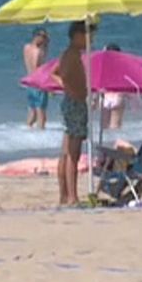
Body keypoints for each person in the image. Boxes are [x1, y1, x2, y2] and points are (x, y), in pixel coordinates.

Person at [53, 21, 90, 206]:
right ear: (77, 35)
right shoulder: (72, 55)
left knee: (66, 151)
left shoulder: (69, 55)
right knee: (72, 154)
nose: (90, 40)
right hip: (75, 103)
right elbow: (60, 73)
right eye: (87, 35)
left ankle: (64, 196)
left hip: (72, 101)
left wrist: (68, 86)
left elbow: (56, 73)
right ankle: (72, 197)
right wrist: (74, 89)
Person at [24, 29, 50, 130]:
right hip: (38, 83)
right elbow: (37, 69)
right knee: (41, 113)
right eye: (43, 37)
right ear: (37, 37)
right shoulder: (39, 51)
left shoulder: (26, 47)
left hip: (29, 82)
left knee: (32, 112)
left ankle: (27, 131)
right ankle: (41, 135)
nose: (45, 40)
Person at [100, 43, 125, 130]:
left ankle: (104, 142)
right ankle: (113, 142)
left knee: (104, 127)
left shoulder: (102, 67)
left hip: (105, 97)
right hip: (118, 97)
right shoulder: (122, 66)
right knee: (115, 127)